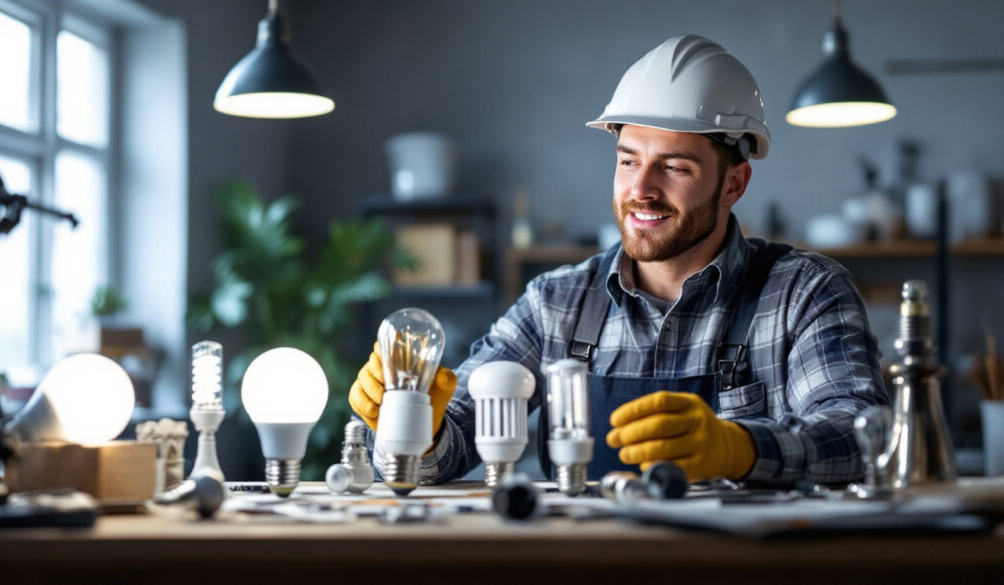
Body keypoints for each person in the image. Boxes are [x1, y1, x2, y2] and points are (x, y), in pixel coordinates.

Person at [349, 34, 889, 486]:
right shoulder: (556, 303)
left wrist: (740, 448)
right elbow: (438, 457)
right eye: (628, 160)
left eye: (674, 167)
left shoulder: (803, 293)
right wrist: (408, 422)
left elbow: (868, 438)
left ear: (734, 184)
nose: (642, 190)